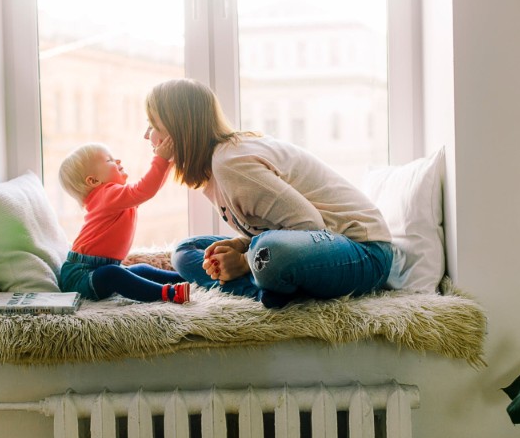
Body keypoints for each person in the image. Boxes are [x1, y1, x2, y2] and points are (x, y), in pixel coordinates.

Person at [144, 78, 393, 308]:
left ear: (179, 131)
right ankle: (266, 290)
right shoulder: (213, 170)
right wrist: (242, 246)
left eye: (153, 125)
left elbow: (310, 225)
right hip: (310, 246)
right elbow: (274, 229)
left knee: (269, 252)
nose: (147, 135)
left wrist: (242, 261)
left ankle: (263, 283)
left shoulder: (231, 163)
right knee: (186, 251)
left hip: (364, 252)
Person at [57, 140, 190, 304]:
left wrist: (168, 163)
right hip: (80, 275)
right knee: (112, 274)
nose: (117, 160)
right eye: (109, 160)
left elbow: (149, 191)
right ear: (93, 181)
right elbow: (145, 189)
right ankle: (168, 293)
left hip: (98, 268)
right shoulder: (107, 195)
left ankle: (185, 278)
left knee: (140, 269)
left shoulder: (114, 197)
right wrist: (161, 160)